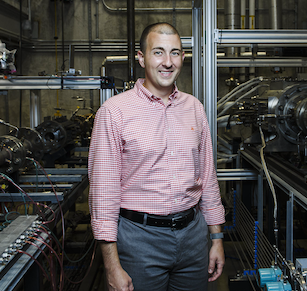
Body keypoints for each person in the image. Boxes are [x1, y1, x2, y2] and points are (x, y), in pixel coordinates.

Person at [88, 22, 225, 291]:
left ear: (183, 58)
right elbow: (104, 193)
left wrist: (217, 239)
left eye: (175, 53)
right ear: (141, 58)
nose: (167, 62)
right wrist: (112, 265)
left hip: (193, 237)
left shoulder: (194, 108)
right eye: (158, 52)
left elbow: (207, 178)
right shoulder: (114, 112)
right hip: (139, 240)